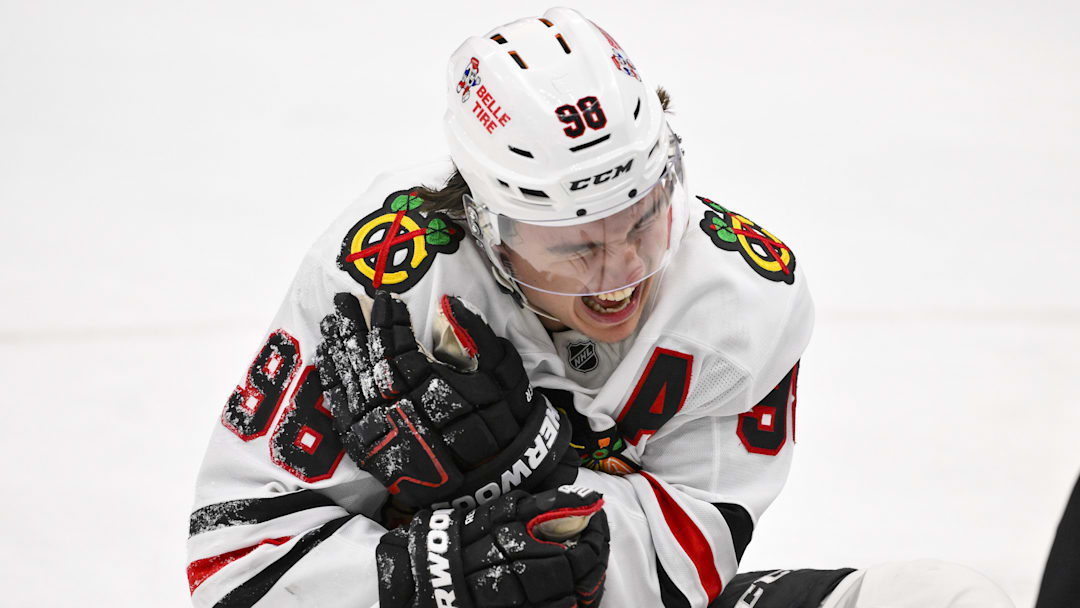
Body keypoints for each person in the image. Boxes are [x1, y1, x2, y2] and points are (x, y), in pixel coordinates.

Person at [186, 8, 1012, 607]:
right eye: (576, 247)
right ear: (490, 222)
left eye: (643, 221)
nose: (620, 274)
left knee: (950, 597)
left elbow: (677, 572)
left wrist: (529, 469)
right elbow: (233, 560)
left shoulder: (743, 301)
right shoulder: (386, 280)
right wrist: (429, 580)